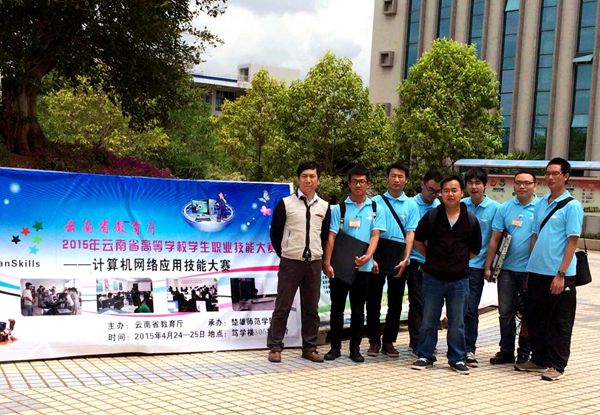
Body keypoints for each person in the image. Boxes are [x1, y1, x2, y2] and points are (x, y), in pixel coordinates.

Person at [518, 158, 583, 381]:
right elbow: (535, 235)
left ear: (566, 176)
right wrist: (532, 262)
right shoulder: (541, 204)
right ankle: (539, 359)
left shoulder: (572, 206)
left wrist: (561, 274)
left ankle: (557, 365)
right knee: (536, 318)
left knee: (560, 322)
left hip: (559, 275)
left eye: (556, 173)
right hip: (537, 272)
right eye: (548, 173)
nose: (551, 177)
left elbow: (572, 242)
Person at [411, 175, 481, 374]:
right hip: (432, 277)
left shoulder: (470, 219)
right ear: (441, 193)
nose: (450, 194)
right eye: (446, 190)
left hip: (459, 279)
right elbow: (418, 239)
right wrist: (431, 257)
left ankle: (457, 358)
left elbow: (475, 248)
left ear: (461, 193)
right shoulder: (432, 215)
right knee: (429, 319)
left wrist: (458, 261)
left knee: (457, 321)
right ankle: (425, 355)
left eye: (454, 190)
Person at [267, 161, 331, 363]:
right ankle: (275, 347)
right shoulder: (285, 203)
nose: (308, 180)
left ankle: (309, 348)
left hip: (314, 263)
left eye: (312, 176)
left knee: (311, 308)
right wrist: (286, 253)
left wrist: (319, 256)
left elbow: (324, 236)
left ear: (318, 180)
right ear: (298, 179)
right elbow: (275, 233)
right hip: (290, 263)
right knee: (283, 305)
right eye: (304, 176)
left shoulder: (324, 206)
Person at [323, 165, 385, 363]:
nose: (358, 185)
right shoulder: (339, 209)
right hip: (340, 267)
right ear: (349, 184)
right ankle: (335, 347)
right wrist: (327, 263)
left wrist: (368, 256)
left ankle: (355, 349)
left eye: (362, 181)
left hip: (363, 268)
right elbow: (331, 237)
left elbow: (375, 235)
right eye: (355, 181)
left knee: (359, 310)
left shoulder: (375, 208)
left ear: (368, 184)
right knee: (337, 308)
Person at [484, 170, 538, 365]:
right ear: (513, 185)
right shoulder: (504, 208)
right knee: (505, 311)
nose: (522, 186)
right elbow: (495, 239)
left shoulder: (541, 208)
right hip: (506, 269)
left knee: (528, 313)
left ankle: (524, 352)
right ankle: (506, 350)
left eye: (527, 183)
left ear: (535, 185)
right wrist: (488, 266)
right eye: (518, 182)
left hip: (531, 271)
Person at [366, 162, 419, 358]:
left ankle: (389, 341)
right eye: (393, 176)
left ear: (406, 180)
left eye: (400, 176)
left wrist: (406, 258)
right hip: (378, 252)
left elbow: (411, 233)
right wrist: (371, 257)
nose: (396, 180)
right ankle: (373, 340)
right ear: (387, 178)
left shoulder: (411, 204)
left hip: (399, 255)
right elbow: (370, 231)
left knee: (395, 302)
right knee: (373, 300)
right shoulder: (375, 201)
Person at [461, 167, 500, 367]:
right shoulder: (460, 205)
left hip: (476, 267)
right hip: (456, 265)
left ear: (485, 185)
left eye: (478, 183)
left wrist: (488, 267)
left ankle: (469, 349)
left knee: (470, 309)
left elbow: (495, 240)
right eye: (470, 183)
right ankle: (456, 347)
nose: (474, 186)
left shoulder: (495, 209)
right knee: (455, 308)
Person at [407, 170, 442, 355]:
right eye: (431, 190)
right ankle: (417, 342)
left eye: (437, 191)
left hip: (435, 264)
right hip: (416, 261)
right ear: (422, 185)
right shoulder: (411, 205)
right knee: (418, 302)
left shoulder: (440, 206)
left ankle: (429, 341)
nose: (434, 194)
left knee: (432, 304)